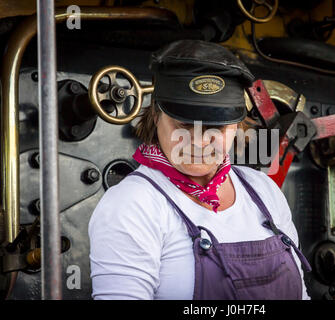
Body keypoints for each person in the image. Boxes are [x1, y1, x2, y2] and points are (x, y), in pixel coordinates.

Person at [88, 40, 311, 300]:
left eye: (216, 126)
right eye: (184, 123)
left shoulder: (263, 191)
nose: (198, 141)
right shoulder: (132, 204)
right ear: (156, 115)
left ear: (237, 125)